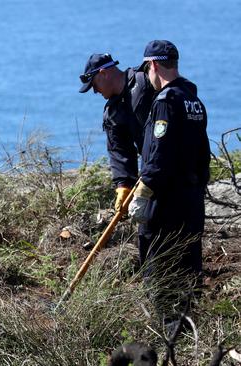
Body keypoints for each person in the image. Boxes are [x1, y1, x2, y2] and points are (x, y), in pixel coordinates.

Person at [128, 40, 210, 322]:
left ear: (152, 65)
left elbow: (158, 155)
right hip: (191, 201)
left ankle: (171, 340)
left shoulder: (165, 103)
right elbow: (203, 154)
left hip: (166, 205)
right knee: (189, 269)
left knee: (160, 271)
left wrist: (144, 190)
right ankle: (191, 335)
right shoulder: (193, 100)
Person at [79, 53, 154, 213]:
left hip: (171, 168)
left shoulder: (145, 82)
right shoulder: (113, 111)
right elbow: (119, 150)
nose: (95, 91)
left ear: (103, 74)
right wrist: (124, 186)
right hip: (151, 175)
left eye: (94, 85)